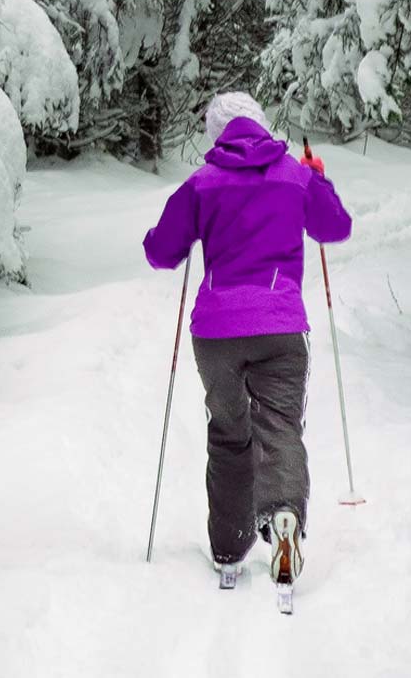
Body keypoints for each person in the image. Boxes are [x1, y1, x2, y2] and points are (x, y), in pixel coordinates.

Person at [142, 92, 352, 591]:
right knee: (280, 427)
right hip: (280, 327)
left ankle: (229, 548)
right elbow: (335, 227)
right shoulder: (294, 174)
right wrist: (318, 178)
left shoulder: (203, 182)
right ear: (261, 125)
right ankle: (284, 519)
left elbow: (160, 252)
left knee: (230, 434)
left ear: (218, 135)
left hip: (216, 333)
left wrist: (182, 230)